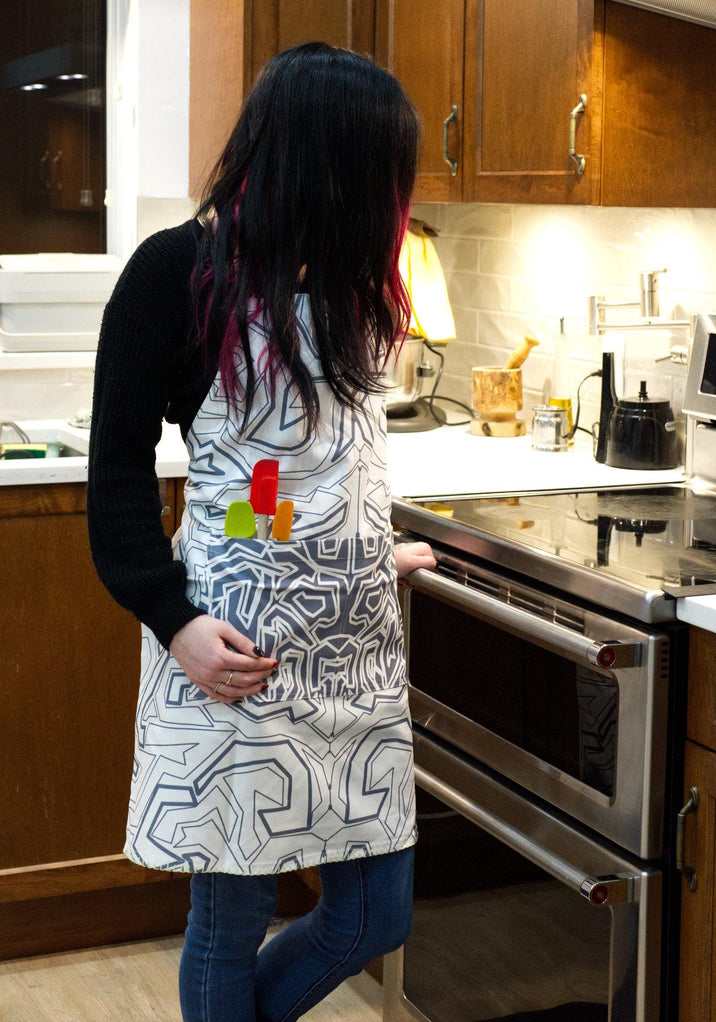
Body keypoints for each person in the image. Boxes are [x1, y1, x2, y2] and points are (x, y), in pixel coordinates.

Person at [87, 43, 435, 1022]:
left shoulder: (355, 284)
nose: (391, 201)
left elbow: (297, 481)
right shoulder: (177, 271)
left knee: (374, 914)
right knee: (230, 918)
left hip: (354, 662)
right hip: (238, 657)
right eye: (382, 175)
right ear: (328, 167)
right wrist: (174, 621)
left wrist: (364, 555)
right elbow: (115, 479)